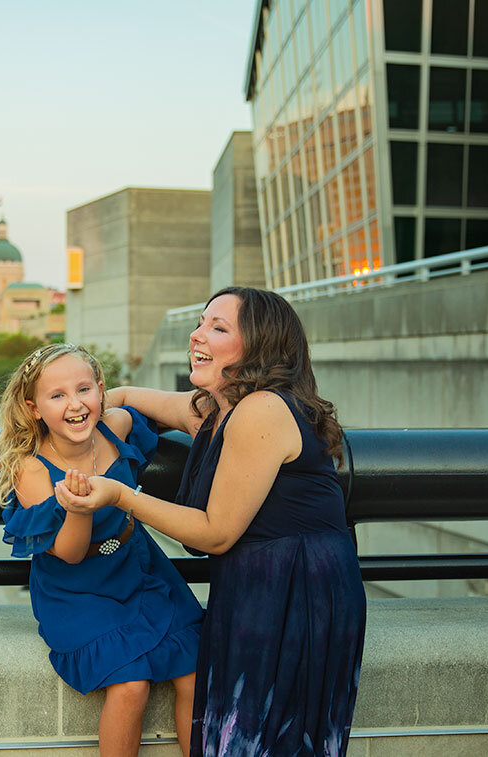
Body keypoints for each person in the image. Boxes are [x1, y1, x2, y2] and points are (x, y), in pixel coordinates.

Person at [55, 288, 366, 757]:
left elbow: (216, 532)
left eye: (218, 328)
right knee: (238, 736)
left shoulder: (262, 410)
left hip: (298, 592)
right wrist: (84, 419)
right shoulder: (214, 410)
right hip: (255, 586)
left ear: (260, 346)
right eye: (201, 322)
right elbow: (125, 397)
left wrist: (121, 494)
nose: (196, 334)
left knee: (267, 740)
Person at [0, 343, 204, 757]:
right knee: (130, 684)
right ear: (34, 409)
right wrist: (77, 507)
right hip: (77, 588)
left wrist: (121, 397)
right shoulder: (31, 470)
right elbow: (68, 553)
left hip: (138, 565)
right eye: (57, 396)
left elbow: (150, 414)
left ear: (100, 391)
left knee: (195, 671)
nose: (75, 405)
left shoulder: (114, 427)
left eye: (84, 389)